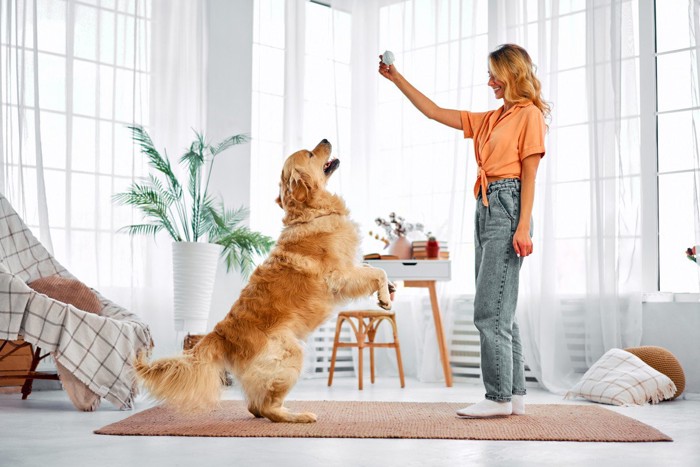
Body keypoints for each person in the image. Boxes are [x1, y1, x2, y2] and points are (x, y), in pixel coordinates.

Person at [378, 43, 549, 418]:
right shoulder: (492, 118)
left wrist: (524, 227)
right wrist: (396, 79)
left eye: (494, 75)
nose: (490, 82)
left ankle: (497, 398)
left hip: (509, 205)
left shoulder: (529, 115)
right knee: (502, 309)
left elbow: (530, 175)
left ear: (512, 74)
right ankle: (515, 395)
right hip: (485, 206)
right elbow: (434, 112)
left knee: (488, 311)